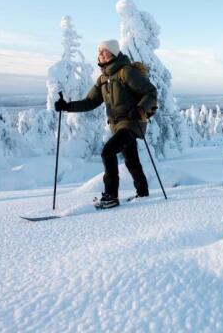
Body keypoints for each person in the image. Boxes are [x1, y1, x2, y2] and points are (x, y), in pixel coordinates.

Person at [54, 39, 158, 209]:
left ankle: (111, 196)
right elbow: (90, 101)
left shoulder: (126, 72)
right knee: (131, 161)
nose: (100, 54)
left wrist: (140, 109)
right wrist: (67, 106)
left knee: (107, 152)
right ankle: (143, 192)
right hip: (116, 125)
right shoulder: (103, 79)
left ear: (114, 53)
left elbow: (151, 91)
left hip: (131, 123)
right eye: (99, 51)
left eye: (104, 51)